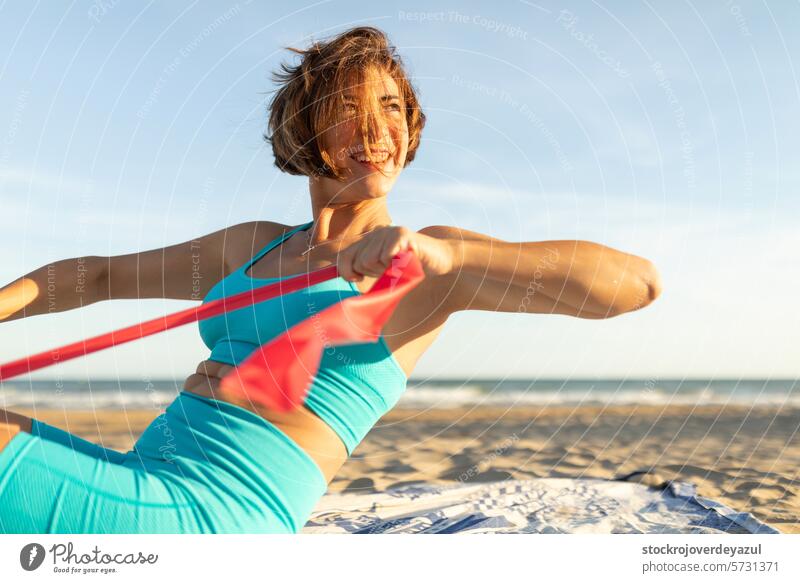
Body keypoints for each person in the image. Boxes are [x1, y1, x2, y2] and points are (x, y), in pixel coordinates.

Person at [0, 26, 662, 533]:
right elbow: (96, 276)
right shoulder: (254, 245)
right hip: (143, 473)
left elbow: (634, 285)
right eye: (351, 107)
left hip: (214, 517)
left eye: (393, 108)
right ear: (304, 126)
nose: (378, 129)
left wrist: (451, 259)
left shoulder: (428, 266)